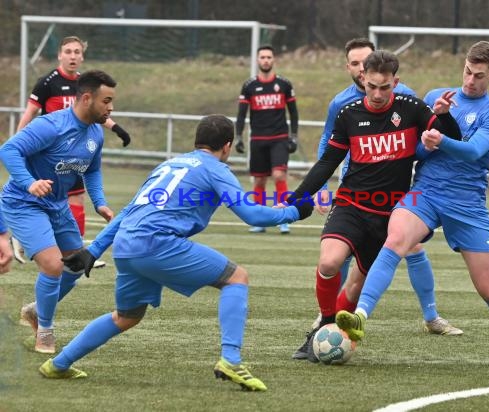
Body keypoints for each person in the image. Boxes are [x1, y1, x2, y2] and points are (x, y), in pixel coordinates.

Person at [37, 115, 313, 391]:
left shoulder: (168, 164)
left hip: (126, 245)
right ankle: (231, 359)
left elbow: (128, 211)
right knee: (236, 278)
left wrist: (93, 250)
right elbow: (251, 214)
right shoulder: (216, 169)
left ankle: (58, 364)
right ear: (227, 147)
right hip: (157, 244)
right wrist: (294, 212)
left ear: (197, 141)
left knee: (126, 316)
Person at [336, 41, 489, 367]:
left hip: (467, 204)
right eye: (467, 71)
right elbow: (418, 152)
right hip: (427, 192)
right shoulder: (438, 95)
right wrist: (428, 135)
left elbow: (474, 151)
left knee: (488, 289)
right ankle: (361, 316)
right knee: (394, 241)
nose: (469, 81)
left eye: (479, 76)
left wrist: (442, 137)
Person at [286, 50, 463, 362]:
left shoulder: (411, 108)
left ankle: (332, 336)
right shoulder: (348, 114)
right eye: (372, 87)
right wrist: (299, 195)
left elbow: (452, 137)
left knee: (355, 287)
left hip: (389, 216)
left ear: (395, 82)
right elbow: (329, 161)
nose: (378, 94)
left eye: (385, 87)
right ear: (362, 79)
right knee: (329, 263)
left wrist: (445, 116)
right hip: (351, 203)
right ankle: (325, 326)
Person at [0, 70, 117, 354]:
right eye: (107, 101)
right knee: (53, 265)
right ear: (87, 98)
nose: (111, 108)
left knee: (78, 264)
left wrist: (99, 201)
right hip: (23, 202)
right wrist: (30, 183)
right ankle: (46, 332)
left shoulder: (95, 134)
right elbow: (8, 150)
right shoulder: (51, 126)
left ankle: (36, 310)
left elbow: (93, 169)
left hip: (58, 204)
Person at [11, 35, 130, 268]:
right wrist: (20, 144)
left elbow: (94, 115)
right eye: (68, 51)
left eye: (77, 52)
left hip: (76, 151)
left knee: (76, 197)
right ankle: (30, 237)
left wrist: (117, 128)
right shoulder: (47, 83)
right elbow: (29, 115)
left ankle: (77, 253)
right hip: (50, 152)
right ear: (59, 55)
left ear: (82, 56)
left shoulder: (85, 84)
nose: (73, 56)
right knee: (44, 198)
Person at [235, 45, 299, 234]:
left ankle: (283, 217)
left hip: (279, 137)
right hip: (258, 138)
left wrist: (293, 136)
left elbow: (294, 114)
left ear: (274, 60)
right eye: (262, 57)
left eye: (269, 57)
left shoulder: (284, 85)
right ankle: (261, 220)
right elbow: (241, 115)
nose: (265, 60)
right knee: (259, 181)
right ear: (257, 60)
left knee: (279, 175)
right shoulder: (249, 86)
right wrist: (238, 137)